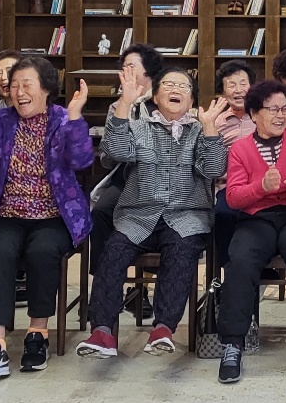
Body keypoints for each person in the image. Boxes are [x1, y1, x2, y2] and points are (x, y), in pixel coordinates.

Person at [0, 57, 94, 379]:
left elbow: (81, 159)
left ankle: (37, 334)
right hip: (5, 213)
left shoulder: (61, 119)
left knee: (43, 251)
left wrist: (75, 117)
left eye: (27, 84)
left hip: (54, 214)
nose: (19, 92)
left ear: (47, 89)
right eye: (14, 85)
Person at [79, 66, 228, 358]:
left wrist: (210, 127)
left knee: (181, 252)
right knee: (113, 252)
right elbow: (115, 151)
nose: (176, 90)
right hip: (138, 216)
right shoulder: (139, 127)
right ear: (156, 97)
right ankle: (102, 332)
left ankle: (163, 328)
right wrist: (125, 103)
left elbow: (214, 169)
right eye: (168, 85)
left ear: (192, 99)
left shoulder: (200, 131)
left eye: (183, 87)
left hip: (186, 217)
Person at [216, 80, 286, 384]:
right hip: (257, 218)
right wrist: (261, 187)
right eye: (273, 110)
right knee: (240, 261)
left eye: (284, 109)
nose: (281, 115)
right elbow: (233, 197)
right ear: (254, 114)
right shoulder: (241, 148)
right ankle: (232, 344)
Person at [90, 44, 164, 272]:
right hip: (127, 175)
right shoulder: (117, 106)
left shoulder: (164, 102)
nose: (125, 72)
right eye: (123, 68)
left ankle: (153, 273)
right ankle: (105, 279)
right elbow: (106, 156)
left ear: (148, 71)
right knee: (101, 211)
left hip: (160, 178)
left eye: (131, 66)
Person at [210, 60, 258, 267]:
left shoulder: (263, 117)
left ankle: (261, 265)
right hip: (229, 186)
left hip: (261, 185)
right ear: (223, 91)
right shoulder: (216, 122)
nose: (238, 90)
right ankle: (228, 269)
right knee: (223, 213)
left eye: (243, 83)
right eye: (231, 85)